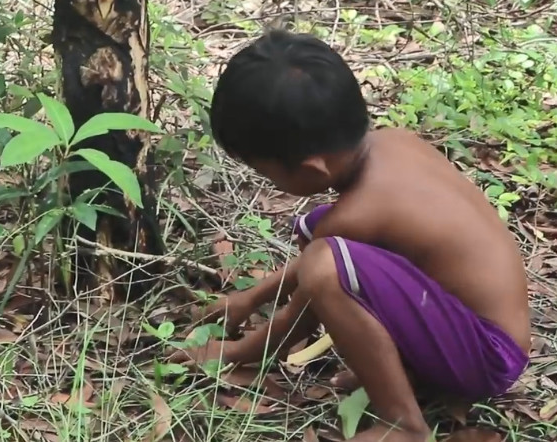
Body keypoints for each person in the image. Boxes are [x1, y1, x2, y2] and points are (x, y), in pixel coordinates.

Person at [167, 30, 531, 442]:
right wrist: (251, 298)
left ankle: (403, 423)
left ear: (311, 171)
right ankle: (407, 367)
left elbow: (300, 312)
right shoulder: (395, 141)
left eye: (265, 172)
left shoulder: (361, 212)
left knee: (327, 262)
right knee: (318, 232)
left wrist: (236, 353)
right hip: (485, 330)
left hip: (488, 357)